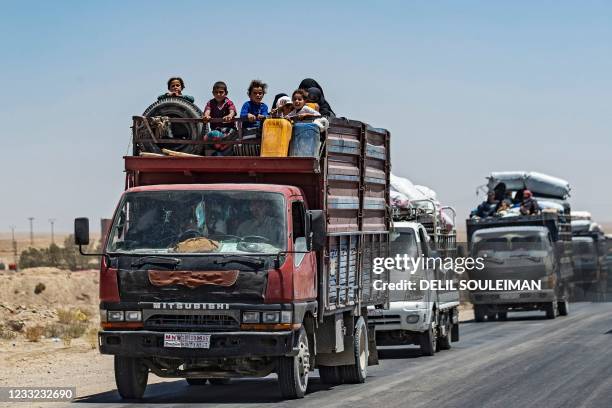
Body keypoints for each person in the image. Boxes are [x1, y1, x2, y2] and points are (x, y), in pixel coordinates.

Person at [203, 81, 237, 156]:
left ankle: (220, 154)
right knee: (208, 137)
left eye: (221, 92)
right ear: (213, 93)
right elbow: (207, 111)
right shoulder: (210, 103)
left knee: (224, 139)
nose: (218, 94)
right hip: (216, 131)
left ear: (226, 93)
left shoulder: (228, 102)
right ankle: (211, 157)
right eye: (216, 92)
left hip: (228, 131)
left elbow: (232, 111)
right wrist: (206, 116)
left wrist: (230, 116)